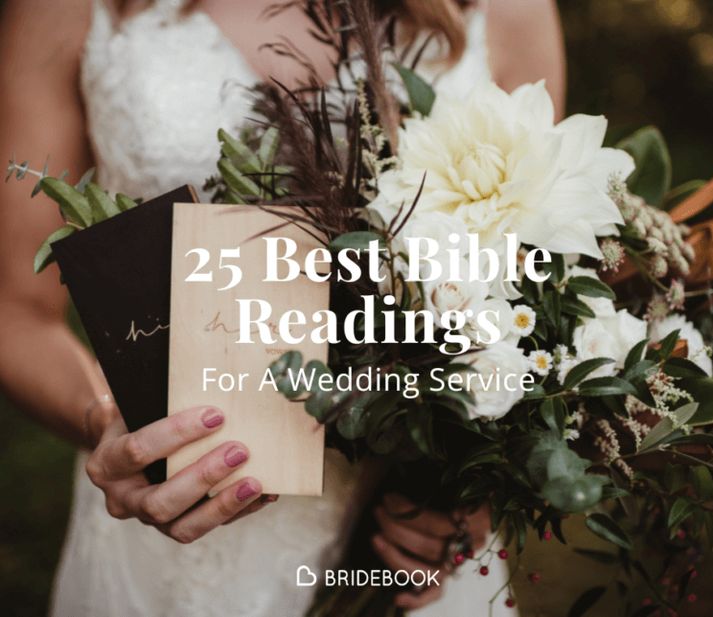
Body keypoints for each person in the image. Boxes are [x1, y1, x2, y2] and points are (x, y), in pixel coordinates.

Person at [0, 1, 565, 615]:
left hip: (401, 541)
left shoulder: (506, 9)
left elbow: (533, 281)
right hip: (176, 521)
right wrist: (110, 423)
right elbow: (13, 308)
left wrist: (474, 489)